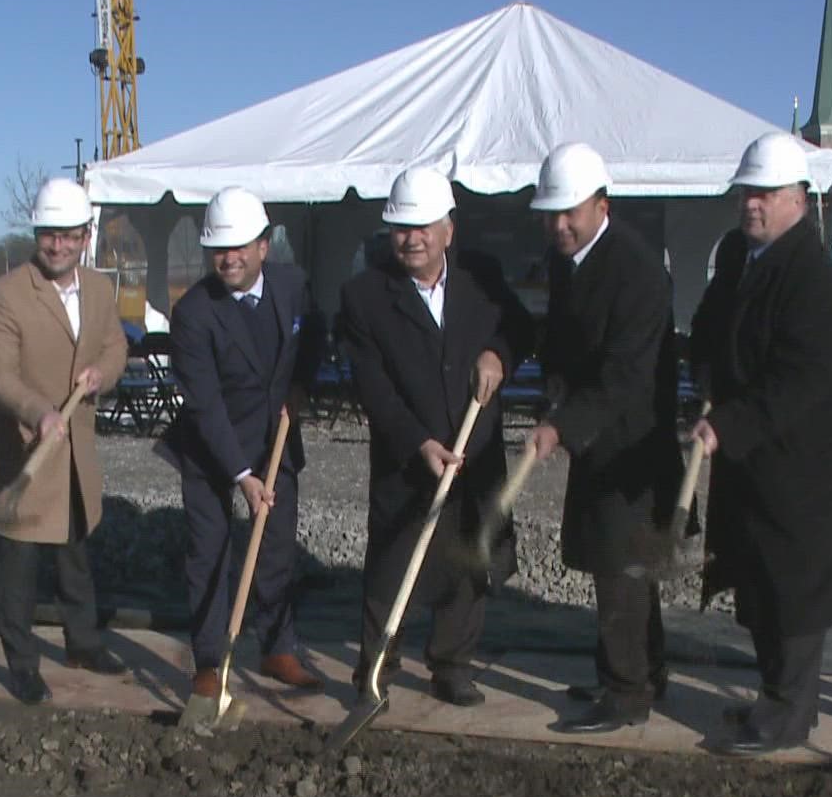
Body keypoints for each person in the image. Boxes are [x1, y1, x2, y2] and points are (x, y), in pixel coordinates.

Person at [686, 132, 832, 755]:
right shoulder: (739, 255)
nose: (752, 205)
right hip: (755, 451)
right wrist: (704, 373)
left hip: (806, 457)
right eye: (747, 194)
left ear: (797, 199)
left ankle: (789, 712)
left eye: (765, 195)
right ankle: (777, 698)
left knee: (794, 583)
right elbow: (710, 322)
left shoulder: (812, 276)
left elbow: (803, 378)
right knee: (757, 573)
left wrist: (729, 424)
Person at [335, 167, 535, 707]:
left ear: (449, 228)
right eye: (401, 228)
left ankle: (451, 665)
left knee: (468, 564)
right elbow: (371, 385)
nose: (412, 238)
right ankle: (375, 670)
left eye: (424, 226)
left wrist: (499, 354)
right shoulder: (365, 296)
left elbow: (519, 328)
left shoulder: (482, 278)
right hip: (409, 455)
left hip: (474, 448)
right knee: (391, 567)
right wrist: (417, 442)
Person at [524, 143, 685, 734]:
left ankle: (627, 695)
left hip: (634, 447)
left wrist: (562, 427)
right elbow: (563, 345)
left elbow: (625, 374)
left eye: (569, 212)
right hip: (597, 437)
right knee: (616, 564)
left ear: (601, 204)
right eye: (549, 213)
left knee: (622, 568)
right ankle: (647, 670)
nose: (558, 225)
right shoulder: (569, 262)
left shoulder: (637, 271)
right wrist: (554, 397)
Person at [155, 187, 328, 702]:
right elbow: (204, 403)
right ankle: (211, 660)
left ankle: (277, 647)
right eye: (218, 249)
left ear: (262, 246)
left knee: (276, 550)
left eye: (238, 247)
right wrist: (241, 475)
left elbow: (313, 333)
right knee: (209, 552)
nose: (227, 258)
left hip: (275, 437)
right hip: (213, 448)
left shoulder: (293, 286)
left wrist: (301, 384)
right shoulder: (194, 313)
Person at [0, 178, 131, 705]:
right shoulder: (4, 296)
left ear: (86, 235)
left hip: (76, 453)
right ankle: (21, 663)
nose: (58, 245)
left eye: (68, 235)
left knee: (75, 554)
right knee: (19, 566)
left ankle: (82, 643)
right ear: (36, 235)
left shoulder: (99, 289)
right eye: (48, 235)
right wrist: (37, 411)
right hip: (25, 452)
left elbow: (115, 345)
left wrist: (101, 374)